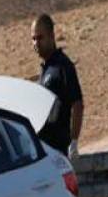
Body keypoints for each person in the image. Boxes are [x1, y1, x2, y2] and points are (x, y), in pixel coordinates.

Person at [31, 13, 84, 158]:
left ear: (51, 36)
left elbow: (77, 104)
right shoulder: (45, 69)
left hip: (59, 150)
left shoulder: (63, 66)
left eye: (40, 38)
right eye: (33, 39)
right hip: (44, 149)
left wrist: (73, 142)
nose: (36, 43)